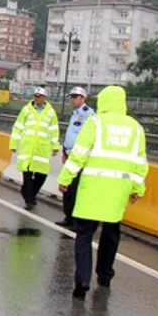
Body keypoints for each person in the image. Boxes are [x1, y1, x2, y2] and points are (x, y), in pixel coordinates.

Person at [57, 86, 148, 299]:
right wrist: (137, 189)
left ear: (103, 101)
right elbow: (140, 163)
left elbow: (79, 155)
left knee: (84, 235)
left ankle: (82, 280)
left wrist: (65, 179)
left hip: (92, 190)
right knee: (110, 234)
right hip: (117, 191)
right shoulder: (136, 128)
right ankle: (105, 275)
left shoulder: (95, 123)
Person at [9, 86, 60, 210]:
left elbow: (54, 130)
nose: (37, 98)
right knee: (27, 176)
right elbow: (18, 127)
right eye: (35, 96)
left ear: (44, 98)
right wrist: (13, 144)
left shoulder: (50, 112)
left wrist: (55, 146)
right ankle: (30, 199)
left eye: (39, 96)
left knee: (41, 176)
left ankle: (30, 194)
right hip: (27, 149)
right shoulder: (26, 110)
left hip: (41, 150)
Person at [56, 86, 96, 227]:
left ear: (83, 98)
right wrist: (64, 152)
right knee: (68, 190)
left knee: (74, 190)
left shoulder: (88, 114)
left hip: (79, 157)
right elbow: (70, 135)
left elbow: (87, 138)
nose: (72, 99)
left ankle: (74, 219)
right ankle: (68, 217)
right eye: (71, 97)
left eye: (75, 96)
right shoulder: (75, 113)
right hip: (70, 154)